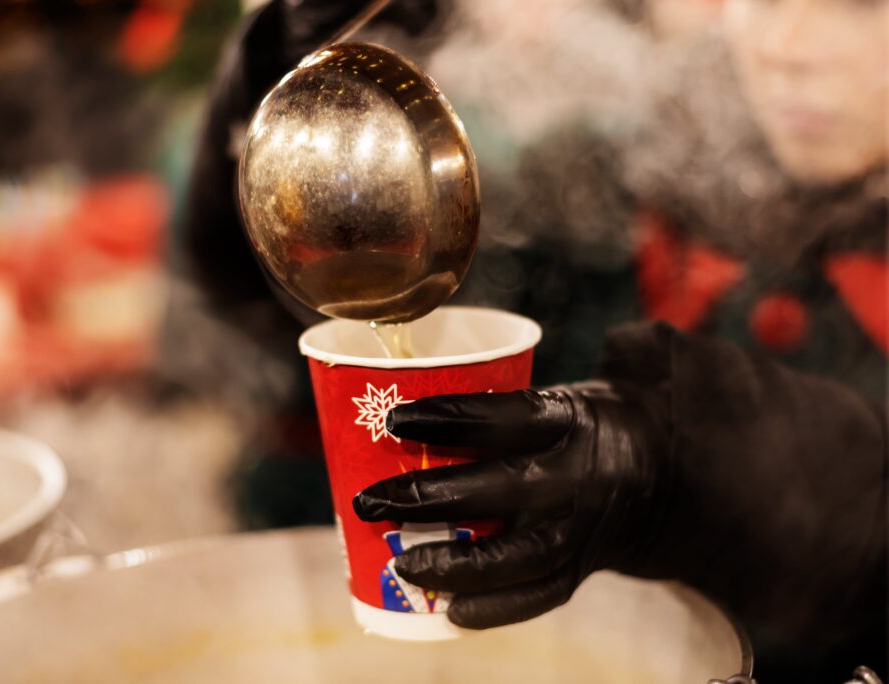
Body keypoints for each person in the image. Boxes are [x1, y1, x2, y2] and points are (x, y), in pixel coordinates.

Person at [183, 0, 887, 680]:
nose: (787, 47)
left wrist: (695, 471)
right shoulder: (624, 172)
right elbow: (328, 328)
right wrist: (252, 127)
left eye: (857, 4)